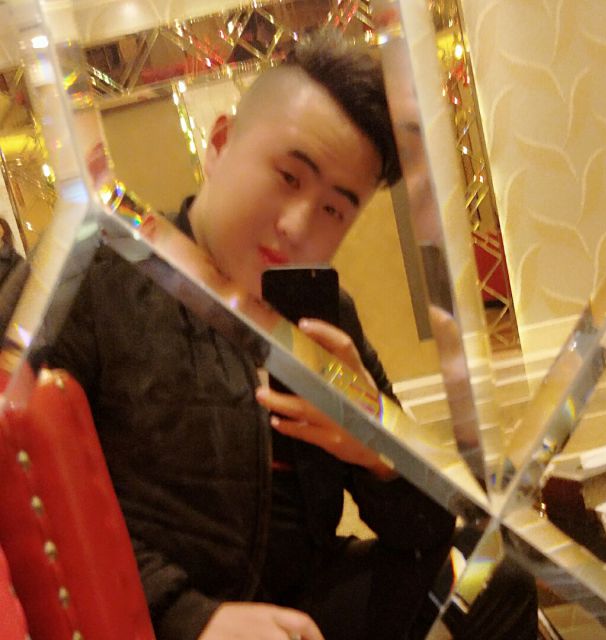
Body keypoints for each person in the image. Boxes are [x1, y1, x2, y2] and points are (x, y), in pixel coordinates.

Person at [47, 30, 532, 640]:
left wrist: (372, 448)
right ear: (220, 144)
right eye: (288, 177)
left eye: (334, 209)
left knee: (496, 579)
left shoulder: (326, 317)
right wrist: (189, 617)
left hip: (307, 597)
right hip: (159, 611)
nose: (298, 225)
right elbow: (33, 502)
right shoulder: (100, 278)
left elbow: (428, 527)